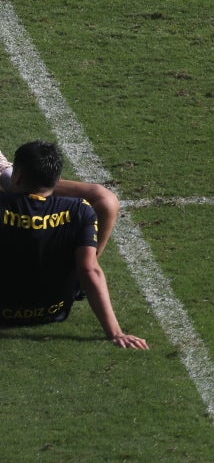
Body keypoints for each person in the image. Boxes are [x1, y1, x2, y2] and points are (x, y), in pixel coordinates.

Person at [0, 141, 147, 347]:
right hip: (54, 309)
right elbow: (89, 270)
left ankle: (5, 172)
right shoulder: (79, 210)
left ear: (20, 175)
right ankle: (7, 172)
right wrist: (116, 333)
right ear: (57, 178)